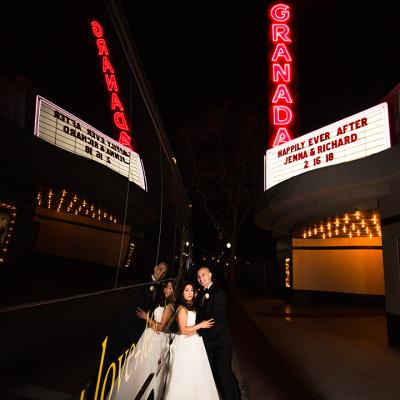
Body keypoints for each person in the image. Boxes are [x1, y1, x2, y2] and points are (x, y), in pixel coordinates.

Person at [83, 261, 169, 399]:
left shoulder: (159, 289)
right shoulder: (142, 282)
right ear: (154, 268)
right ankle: (92, 394)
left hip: (137, 333)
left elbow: (150, 310)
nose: (161, 273)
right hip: (124, 329)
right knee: (108, 362)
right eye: (160, 269)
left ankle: (109, 393)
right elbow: (137, 306)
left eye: (164, 272)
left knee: (123, 367)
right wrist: (147, 318)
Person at [110, 279, 175, 400]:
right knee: (137, 368)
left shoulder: (170, 307)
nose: (167, 289)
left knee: (149, 369)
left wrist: (147, 318)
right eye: (166, 287)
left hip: (158, 339)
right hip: (149, 336)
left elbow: (160, 327)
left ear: (174, 290)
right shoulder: (161, 303)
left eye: (170, 288)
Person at [163, 281, 220, 400]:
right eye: (186, 290)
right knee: (183, 377)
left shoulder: (190, 306)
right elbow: (183, 330)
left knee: (196, 377)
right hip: (185, 345)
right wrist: (201, 325)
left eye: (191, 290)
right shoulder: (182, 309)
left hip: (194, 343)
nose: (190, 293)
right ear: (181, 292)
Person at [196, 266, 241, 400]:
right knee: (217, 373)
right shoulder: (201, 293)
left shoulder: (219, 293)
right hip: (210, 341)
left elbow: (213, 320)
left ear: (210, 275)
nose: (201, 278)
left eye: (203, 275)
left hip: (221, 341)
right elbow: (200, 315)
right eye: (198, 276)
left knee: (224, 375)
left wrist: (200, 336)